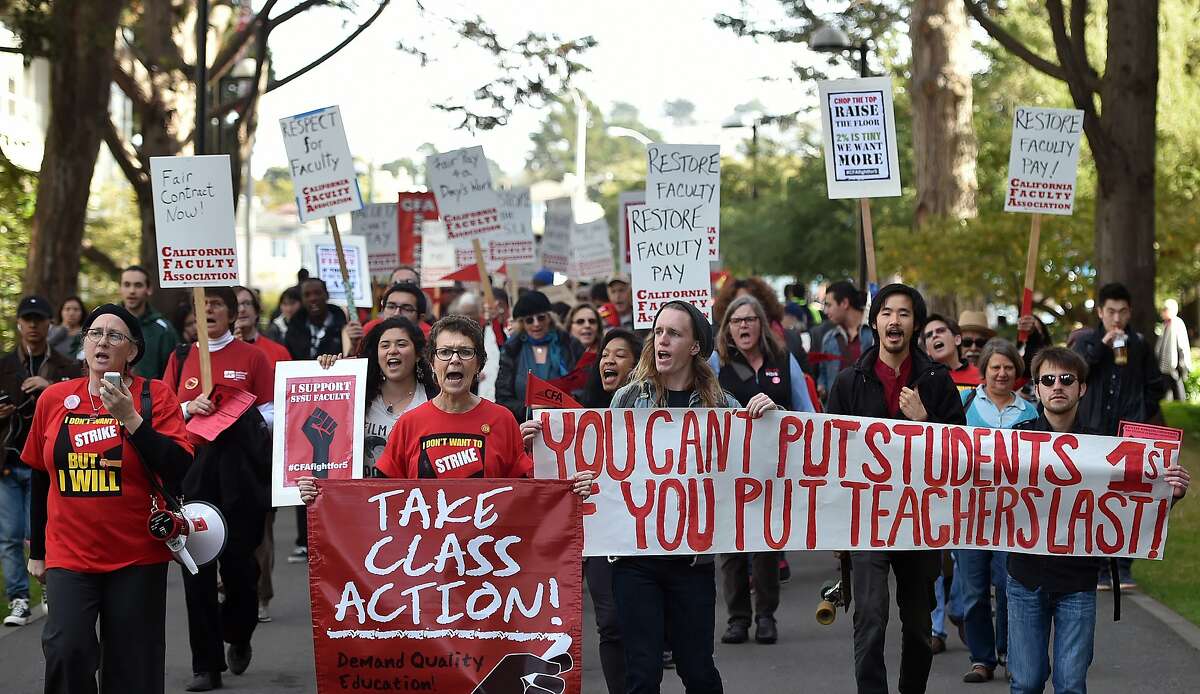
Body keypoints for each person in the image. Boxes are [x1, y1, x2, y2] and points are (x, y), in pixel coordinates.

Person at [23, 304, 194, 694]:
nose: (103, 341)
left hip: (137, 555)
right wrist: (38, 548)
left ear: (132, 351)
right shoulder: (54, 399)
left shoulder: (155, 396)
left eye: (115, 335)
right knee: (67, 649)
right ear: (84, 344)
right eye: (94, 333)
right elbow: (38, 472)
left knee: (132, 667)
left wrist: (132, 418)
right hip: (69, 554)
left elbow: (180, 468)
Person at [1008, 347, 1190, 694]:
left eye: (1067, 379)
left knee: (1071, 685)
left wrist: (1169, 494)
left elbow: (1131, 510)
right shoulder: (1016, 441)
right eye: (1048, 380)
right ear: (1037, 388)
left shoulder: (1105, 447)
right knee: (1026, 683)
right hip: (1025, 579)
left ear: (1082, 389)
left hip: (1078, 580)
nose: (1057, 386)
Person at [825, 283, 965, 694]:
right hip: (868, 519)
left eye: (904, 314)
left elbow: (960, 448)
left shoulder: (937, 382)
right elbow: (830, 453)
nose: (894, 321)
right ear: (874, 323)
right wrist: (835, 522)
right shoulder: (851, 381)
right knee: (870, 619)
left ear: (915, 325)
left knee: (920, 626)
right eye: (886, 313)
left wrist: (926, 422)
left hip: (920, 519)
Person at [606, 300, 750, 694]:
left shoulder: (719, 406)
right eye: (657, 332)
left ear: (694, 347)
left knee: (699, 671)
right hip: (636, 560)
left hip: (691, 562)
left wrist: (768, 412)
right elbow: (602, 462)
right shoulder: (629, 400)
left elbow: (765, 450)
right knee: (643, 674)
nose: (661, 340)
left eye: (673, 333)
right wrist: (545, 440)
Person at [297, 314, 590, 488]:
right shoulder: (410, 424)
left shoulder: (502, 420)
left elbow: (527, 494)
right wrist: (322, 490)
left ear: (479, 364)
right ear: (432, 362)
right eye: (445, 352)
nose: (455, 360)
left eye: (465, 352)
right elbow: (382, 496)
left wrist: (570, 487)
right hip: (423, 566)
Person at [164, 287, 274, 692]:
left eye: (217, 305)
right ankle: (205, 665)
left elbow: (271, 414)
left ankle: (240, 631)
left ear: (233, 314)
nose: (208, 310)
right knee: (197, 570)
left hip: (241, 480)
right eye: (202, 304)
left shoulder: (253, 357)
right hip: (194, 476)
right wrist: (189, 408)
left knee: (241, 569)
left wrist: (236, 412)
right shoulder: (181, 358)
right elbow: (163, 413)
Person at [708, 295, 815, 648]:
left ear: (762, 324)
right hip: (728, 469)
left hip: (772, 469)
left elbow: (807, 413)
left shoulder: (784, 361)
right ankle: (737, 618)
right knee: (732, 548)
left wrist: (779, 410)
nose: (743, 326)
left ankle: (766, 615)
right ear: (727, 328)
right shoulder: (715, 363)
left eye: (750, 319)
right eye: (736, 321)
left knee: (767, 544)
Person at [1072, 282, 1165, 589]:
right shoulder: (1085, 341)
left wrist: (1141, 410)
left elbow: (1156, 384)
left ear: (1130, 312)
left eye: (1122, 311)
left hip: (1129, 432)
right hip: (1093, 431)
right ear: (1100, 311)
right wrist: (1103, 345)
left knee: (1127, 498)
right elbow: (1075, 374)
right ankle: (1097, 568)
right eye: (1110, 311)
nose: (1116, 317)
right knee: (1094, 497)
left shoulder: (1139, 344)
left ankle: (1122, 567)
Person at [957, 338, 1037, 683]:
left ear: (1016, 372)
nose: (1001, 373)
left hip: (1014, 516)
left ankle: (1007, 650)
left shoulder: (1031, 413)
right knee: (973, 592)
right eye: (995, 367)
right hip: (971, 515)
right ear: (984, 370)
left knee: (1009, 587)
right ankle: (981, 658)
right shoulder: (964, 404)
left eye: (1008, 367)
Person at [0, 296, 77, 627]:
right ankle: (18, 599)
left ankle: (47, 586)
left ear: (50, 323)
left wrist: (50, 388)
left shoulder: (66, 366)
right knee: (9, 534)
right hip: (8, 461)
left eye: (39, 319)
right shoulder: (3, 365)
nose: (33, 325)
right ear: (19, 323)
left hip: (46, 465)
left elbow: (79, 404)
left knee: (41, 528)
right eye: (27, 319)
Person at [578, 329, 643, 694]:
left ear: (636, 367)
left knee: (643, 621)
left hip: (643, 529)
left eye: (619, 355)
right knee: (611, 622)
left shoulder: (658, 413)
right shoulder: (576, 416)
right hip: (600, 533)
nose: (608, 360)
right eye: (605, 354)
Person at [232, 286, 289, 625]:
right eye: (234, 306)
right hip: (225, 456)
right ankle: (233, 585)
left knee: (261, 529)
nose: (240, 311)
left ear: (256, 311)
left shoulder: (276, 351)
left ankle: (261, 593)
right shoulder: (209, 354)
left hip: (265, 455)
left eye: (245, 305)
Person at [282, 277, 347, 565]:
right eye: (308, 294)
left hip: (336, 398)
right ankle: (305, 538)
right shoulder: (294, 326)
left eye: (318, 293)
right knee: (304, 466)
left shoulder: (341, 322)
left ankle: (335, 533)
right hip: (303, 401)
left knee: (334, 465)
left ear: (325, 294)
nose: (313, 299)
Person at [496, 291, 585, 421]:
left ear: (550, 318)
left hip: (567, 425)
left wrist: (565, 402)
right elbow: (503, 399)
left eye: (541, 317)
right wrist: (531, 409)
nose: (536, 324)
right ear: (522, 324)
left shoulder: (570, 345)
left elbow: (585, 386)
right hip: (526, 427)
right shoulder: (512, 350)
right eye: (530, 320)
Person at [121, 265, 181, 379]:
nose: (132, 291)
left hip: (151, 394)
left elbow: (173, 373)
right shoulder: (107, 323)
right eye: (127, 285)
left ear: (149, 289)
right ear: (120, 288)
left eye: (138, 285)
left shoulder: (163, 328)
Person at [818, 280, 873, 399]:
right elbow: (823, 372)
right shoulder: (829, 338)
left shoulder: (875, 333)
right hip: (836, 411)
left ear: (844, 303)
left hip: (867, 411)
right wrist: (821, 386)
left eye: (829, 305)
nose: (826, 311)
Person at [921, 313, 982, 395]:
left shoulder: (982, 376)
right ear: (927, 350)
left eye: (941, 330)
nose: (934, 335)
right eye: (929, 335)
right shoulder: (922, 380)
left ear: (957, 340)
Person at [712, 277, 787, 340]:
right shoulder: (718, 349)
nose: (745, 308)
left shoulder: (789, 340)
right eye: (739, 303)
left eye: (751, 301)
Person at [1157, 298, 1192, 401]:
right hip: (1165, 365)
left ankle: (1181, 406)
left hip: (1175, 365)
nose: (1162, 312)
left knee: (1178, 389)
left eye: (1164, 309)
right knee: (1167, 392)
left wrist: (1183, 364)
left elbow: (1182, 346)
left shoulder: (1177, 323)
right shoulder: (1165, 325)